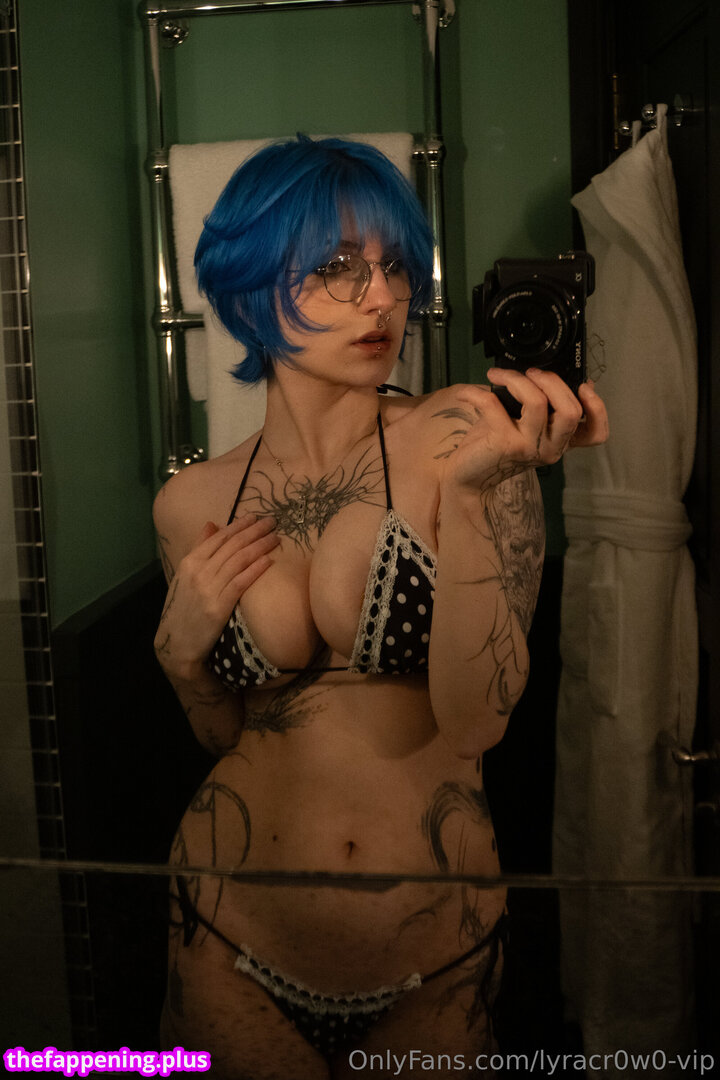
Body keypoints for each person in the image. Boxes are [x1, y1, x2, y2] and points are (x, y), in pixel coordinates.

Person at [153, 135, 608, 1080]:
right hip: (226, 929)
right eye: (337, 266)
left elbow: (479, 722)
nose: (381, 297)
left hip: (433, 948)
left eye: (395, 264)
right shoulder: (190, 502)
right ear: (250, 287)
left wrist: (474, 500)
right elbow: (222, 735)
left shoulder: (463, 434)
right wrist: (181, 660)